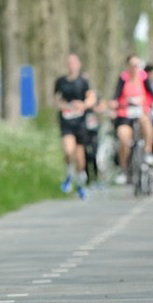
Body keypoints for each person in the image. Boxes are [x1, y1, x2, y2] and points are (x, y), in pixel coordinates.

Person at [109, 53, 153, 185]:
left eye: (137, 65)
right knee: (123, 137)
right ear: (128, 66)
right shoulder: (123, 78)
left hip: (141, 111)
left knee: (146, 121)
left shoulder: (143, 77)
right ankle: (123, 169)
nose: (135, 68)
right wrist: (114, 104)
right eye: (132, 65)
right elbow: (116, 95)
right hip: (125, 114)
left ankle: (148, 152)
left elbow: (152, 93)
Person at [52, 53, 96, 198]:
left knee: (80, 156)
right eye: (69, 62)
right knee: (68, 149)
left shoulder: (83, 81)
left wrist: (83, 105)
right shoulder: (60, 81)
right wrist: (64, 105)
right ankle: (69, 175)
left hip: (80, 121)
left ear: (78, 64)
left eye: (74, 62)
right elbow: (55, 99)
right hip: (66, 120)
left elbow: (91, 98)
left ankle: (81, 182)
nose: (71, 65)